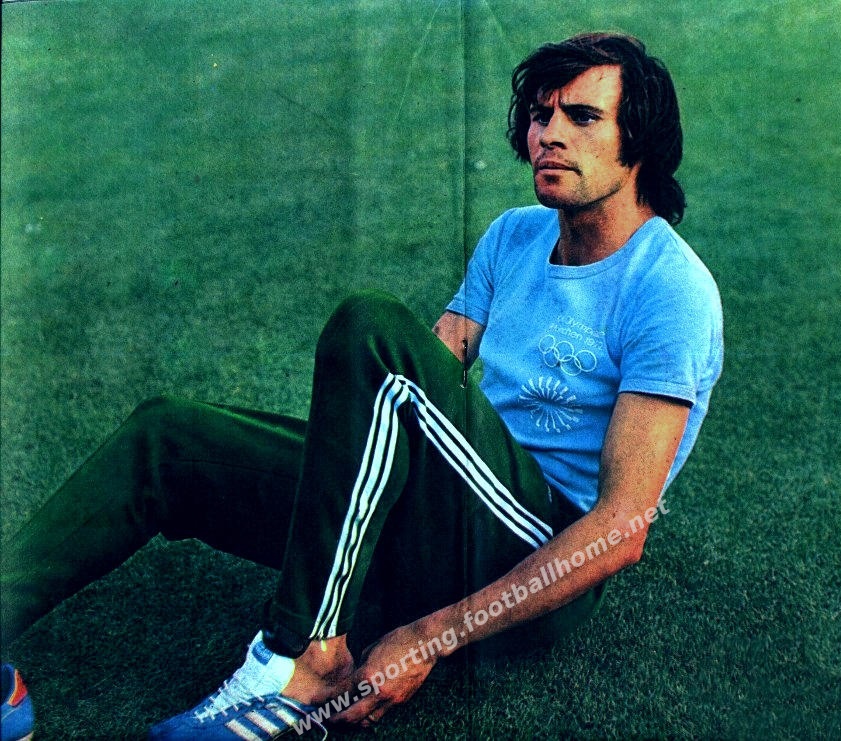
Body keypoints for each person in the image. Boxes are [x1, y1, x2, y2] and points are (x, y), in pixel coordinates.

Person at [0, 32, 723, 740]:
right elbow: (426, 381)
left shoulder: (669, 288)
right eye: (540, 115)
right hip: (448, 505)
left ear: (639, 140)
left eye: (582, 116)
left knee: (373, 329)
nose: (549, 135)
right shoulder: (514, 235)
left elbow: (620, 530)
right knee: (167, 438)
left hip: (535, 545)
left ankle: (301, 657)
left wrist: (430, 636)